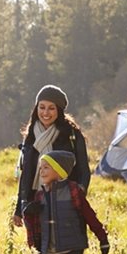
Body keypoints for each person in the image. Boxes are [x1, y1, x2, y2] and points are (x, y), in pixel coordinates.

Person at [13, 85, 90, 228]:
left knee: (65, 245)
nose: (45, 113)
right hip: (34, 203)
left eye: (51, 108)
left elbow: (84, 171)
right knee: (39, 247)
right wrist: (19, 208)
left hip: (64, 203)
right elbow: (26, 175)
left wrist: (77, 197)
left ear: (59, 110)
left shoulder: (72, 134)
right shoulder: (30, 136)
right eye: (42, 107)